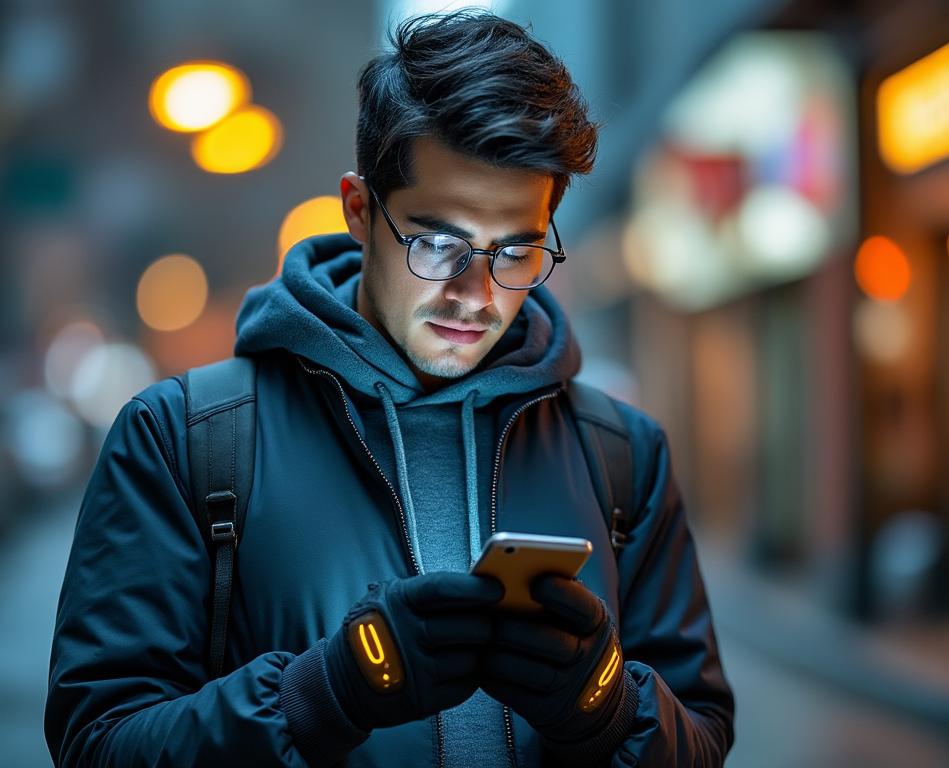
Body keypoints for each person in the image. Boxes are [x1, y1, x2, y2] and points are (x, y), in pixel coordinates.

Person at [45, 10, 734, 768]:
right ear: (359, 211)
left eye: (517, 249)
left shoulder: (623, 455)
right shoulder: (184, 438)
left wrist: (606, 703)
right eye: (438, 243)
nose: (476, 293)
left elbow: (701, 743)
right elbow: (98, 745)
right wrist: (327, 692)